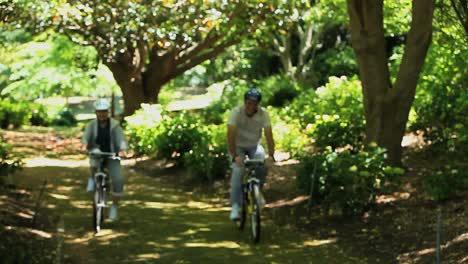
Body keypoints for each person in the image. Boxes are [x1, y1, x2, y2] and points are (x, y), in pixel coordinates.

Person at [227, 88, 275, 220]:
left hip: (254, 145)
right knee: (238, 171)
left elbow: (268, 134)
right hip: (238, 147)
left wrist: (271, 155)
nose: (251, 106)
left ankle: (257, 193)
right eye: (249, 103)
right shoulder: (236, 112)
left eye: (254, 104)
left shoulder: (263, 113)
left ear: (258, 104)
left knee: (261, 164)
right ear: (245, 102)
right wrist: (235, 155)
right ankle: (235, 207)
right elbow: (230, 135)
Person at [81, 98, 127, 220]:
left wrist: (122, 150)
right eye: (99, 111)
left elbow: (121, 139)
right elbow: (86, 138)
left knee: (118, 180)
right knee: (94, 164)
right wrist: (84, 146)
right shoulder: (91, 125)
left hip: (112, 155)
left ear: (108, 112)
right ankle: (92, 179)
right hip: (96, 153)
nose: (102, 114)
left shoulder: (115, 125)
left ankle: (114, 207)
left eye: (104, 111)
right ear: (96, 112)